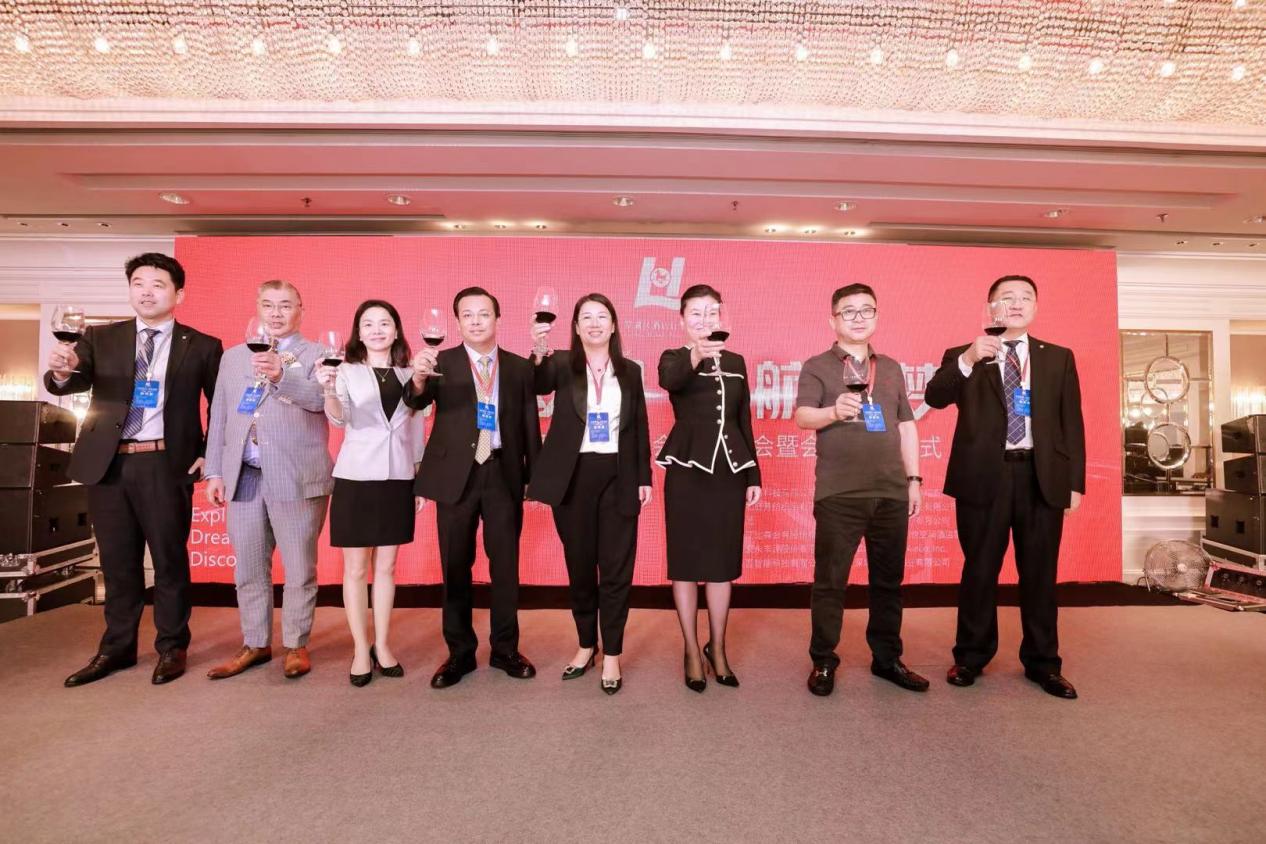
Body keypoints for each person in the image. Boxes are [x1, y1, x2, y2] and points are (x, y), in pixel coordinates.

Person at [45, 253, 222, 687]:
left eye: (158, 284)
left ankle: (172, 647)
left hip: (165, 463)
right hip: (108, 462)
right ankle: (116, 648)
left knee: (169, 560)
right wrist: (62, 372)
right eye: (138, 283)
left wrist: (208, 453)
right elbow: (67, 382)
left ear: (179, 294)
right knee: (117, 562)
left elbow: (219, 405)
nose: (146, 291)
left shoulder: (202, 345)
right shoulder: (99, 338)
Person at [924, 274, 1085, 699]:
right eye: (1006, 298)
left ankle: (1044, 663)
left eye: (1025, 297)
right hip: (983, 478)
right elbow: (935, 397)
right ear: (990, 308)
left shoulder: (1058, 357)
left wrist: (1074, 483)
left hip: (1040, 477)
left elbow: (1072, 422)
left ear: (1035, 306)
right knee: (979, 570)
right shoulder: (964, 354)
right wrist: (967, 359)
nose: (1016, 304)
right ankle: (970, 657)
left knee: (1040, 574)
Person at [794, 284, 929, 697]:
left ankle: (886, 659)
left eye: (866, 310)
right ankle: (823, 660)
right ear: (832, 320)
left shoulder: (890, 368)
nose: (858, 318)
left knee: (888, 582)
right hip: (839, 495)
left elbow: (906, 425)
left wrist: (914, 480)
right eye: (848, 311)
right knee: (831, 582)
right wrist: (834, 411)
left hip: (891, 491)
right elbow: (802, 416)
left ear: (877, 317)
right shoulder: (817, 365)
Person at [404, 286, 541, 689]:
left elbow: (529, 423)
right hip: (455, 477)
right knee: (455, 565)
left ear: (498, 319)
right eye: (468, 315)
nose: (476, 321)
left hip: (502, 472)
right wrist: (417, 378)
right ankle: (459, 653)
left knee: (506, 567)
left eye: (484, 314)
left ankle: (505, 649)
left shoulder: (518, 367)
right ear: (457, 322)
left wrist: (533, 476)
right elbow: (415, 401)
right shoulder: (439, 363)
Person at [202, 280, 332, 681]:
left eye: (286, 305)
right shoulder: (233, 357)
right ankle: (255, 643)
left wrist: (281, 375)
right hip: (244, 477)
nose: (276, 313)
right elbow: (220, 416)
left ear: (301, 310)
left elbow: (322, 402)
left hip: (297, 476)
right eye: (268, 305)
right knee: (248, 568)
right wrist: (215, 470)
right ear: (257, 308)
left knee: (299, 568)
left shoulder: (318, 354)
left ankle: (296, 644)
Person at [528, 294, 652, 695]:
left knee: (616, 569)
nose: (595, 323)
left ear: (614, 326)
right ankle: (586, 645)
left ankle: (612, 653)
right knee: (580, 567)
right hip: (573, 477)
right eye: (586, 317)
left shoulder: (630, 371)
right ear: (576, 327)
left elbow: (639, 425)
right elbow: (537, 384)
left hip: (619, 475)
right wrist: (539, 351)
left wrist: (644, 476)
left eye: (602, 316)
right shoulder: (562, 364)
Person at [655, 284, 761, 693]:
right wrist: (697, 354)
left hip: (729, 473)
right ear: (682, 319)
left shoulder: (736, 361)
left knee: (722, 564)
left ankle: (717, 647)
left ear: (721, 316)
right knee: (684, 564)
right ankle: (690, 649)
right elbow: (671, 382)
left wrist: (753, 475)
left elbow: (743, 419)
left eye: (712, 312)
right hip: (686, 473)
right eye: (696, 313)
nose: (705, 319)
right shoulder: (673, 357)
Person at [316, 300, 425, 687]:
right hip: (356, 478)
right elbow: (338, 417)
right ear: (358, 333)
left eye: (384, 323)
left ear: (396, 331)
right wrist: (328, 389)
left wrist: (418, 477)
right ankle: (361, 649)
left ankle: (383, 644)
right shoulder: (343, 371)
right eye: (368, 324)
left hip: (398, 477)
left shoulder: (413, 374)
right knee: (356, 569)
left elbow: (415, 428)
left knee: (387, 569)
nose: (377, 330)